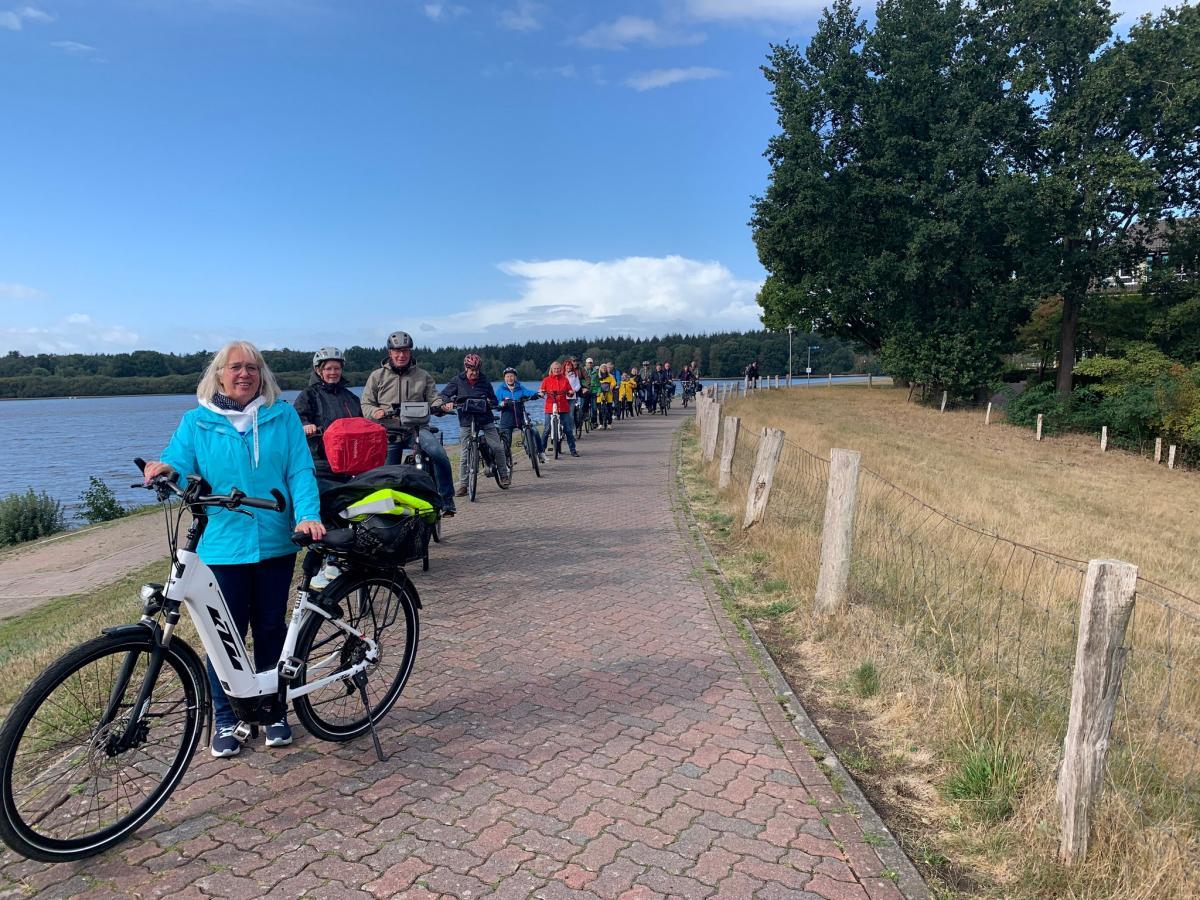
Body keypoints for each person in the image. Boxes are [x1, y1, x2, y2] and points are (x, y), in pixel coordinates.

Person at [142, 341, 326, 758]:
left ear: (262, 375)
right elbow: (179, 460)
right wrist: (164, 468)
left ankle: (273, 710)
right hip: (222, 545)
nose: (245, 374)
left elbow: (299, 469)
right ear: (219, 375)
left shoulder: (282, 417)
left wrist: (308, 515)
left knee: (270, 629)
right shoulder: (197, 422)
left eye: (253, 368)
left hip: (276, 540)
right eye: (236, 368)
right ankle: (228, 717)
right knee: (222, 635)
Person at [360, 330, 456, 516]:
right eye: (397, 351)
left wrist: (440, 406)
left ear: (410, 352)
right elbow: (366, 403)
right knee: (387, 473)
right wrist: (375, 412)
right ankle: (388, 513)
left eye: (405, 351)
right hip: (388, 431)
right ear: (390, 353)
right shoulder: (377, 376)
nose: (401, 355)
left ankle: (446, 499)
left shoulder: (423, 375)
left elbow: (434, 398)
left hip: (417, 429)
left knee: (439, 454)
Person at [438, 353, 511, 493]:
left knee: (497, 447)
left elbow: (494, 400)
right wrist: (447, 402)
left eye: (477, 370)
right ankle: (464, 485)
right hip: (466, 420)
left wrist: (491, 403)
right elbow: (443, 394)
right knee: (465, 452)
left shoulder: (484, 381)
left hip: (485, 419)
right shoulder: (457, 380)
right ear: (466, 368)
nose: (475, 373)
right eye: (472, 370)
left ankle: (503, 475)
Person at [293, 347, 364, 476]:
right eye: (328, 369)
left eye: (337, 368)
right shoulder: (308, 394)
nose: (333, 372)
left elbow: (361, 422)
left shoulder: (351, 397)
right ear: (319, 370)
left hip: (350, 456)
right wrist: (305, 425)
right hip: (321, 457)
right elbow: (296, 417)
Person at [496, 367, 545, 465]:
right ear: (504, 378)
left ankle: (540, 452)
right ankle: (506, 461)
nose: (510, 378)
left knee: (534, 431)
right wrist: (501, 404)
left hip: (521, 418)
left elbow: (529, 393)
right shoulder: (500, 390)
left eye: (512, 376)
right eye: (507, 376)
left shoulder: (520, 388)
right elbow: (496, 403)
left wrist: (538, 394)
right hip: (507, 420)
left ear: (515, 377)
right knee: (506, 442)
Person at [540, 360, 579, 456]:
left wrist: (571, 392)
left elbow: (569, 390)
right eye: (554, 369)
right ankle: (541, 450)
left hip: (563, 407)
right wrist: (541, 393)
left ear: (561, 369)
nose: (556, 370)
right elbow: (542, 390)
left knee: (568, 429)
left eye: (558, 369)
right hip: (550, 407)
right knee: (547, 429)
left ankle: (573, 450)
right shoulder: (546, 380)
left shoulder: (565, 380)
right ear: (551, 370)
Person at [596, 364, 617, 429]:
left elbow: (614, 382)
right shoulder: (598, 376)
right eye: (602, 368)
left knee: (609, 409)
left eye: (605, 368)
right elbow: (595, 383)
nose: (604, 369)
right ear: (600, 369)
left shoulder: (610, 376)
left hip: (608, 393)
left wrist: (611, 386)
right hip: (600, 394)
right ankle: (601, 423)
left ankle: (609, 423)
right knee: (600, 410)